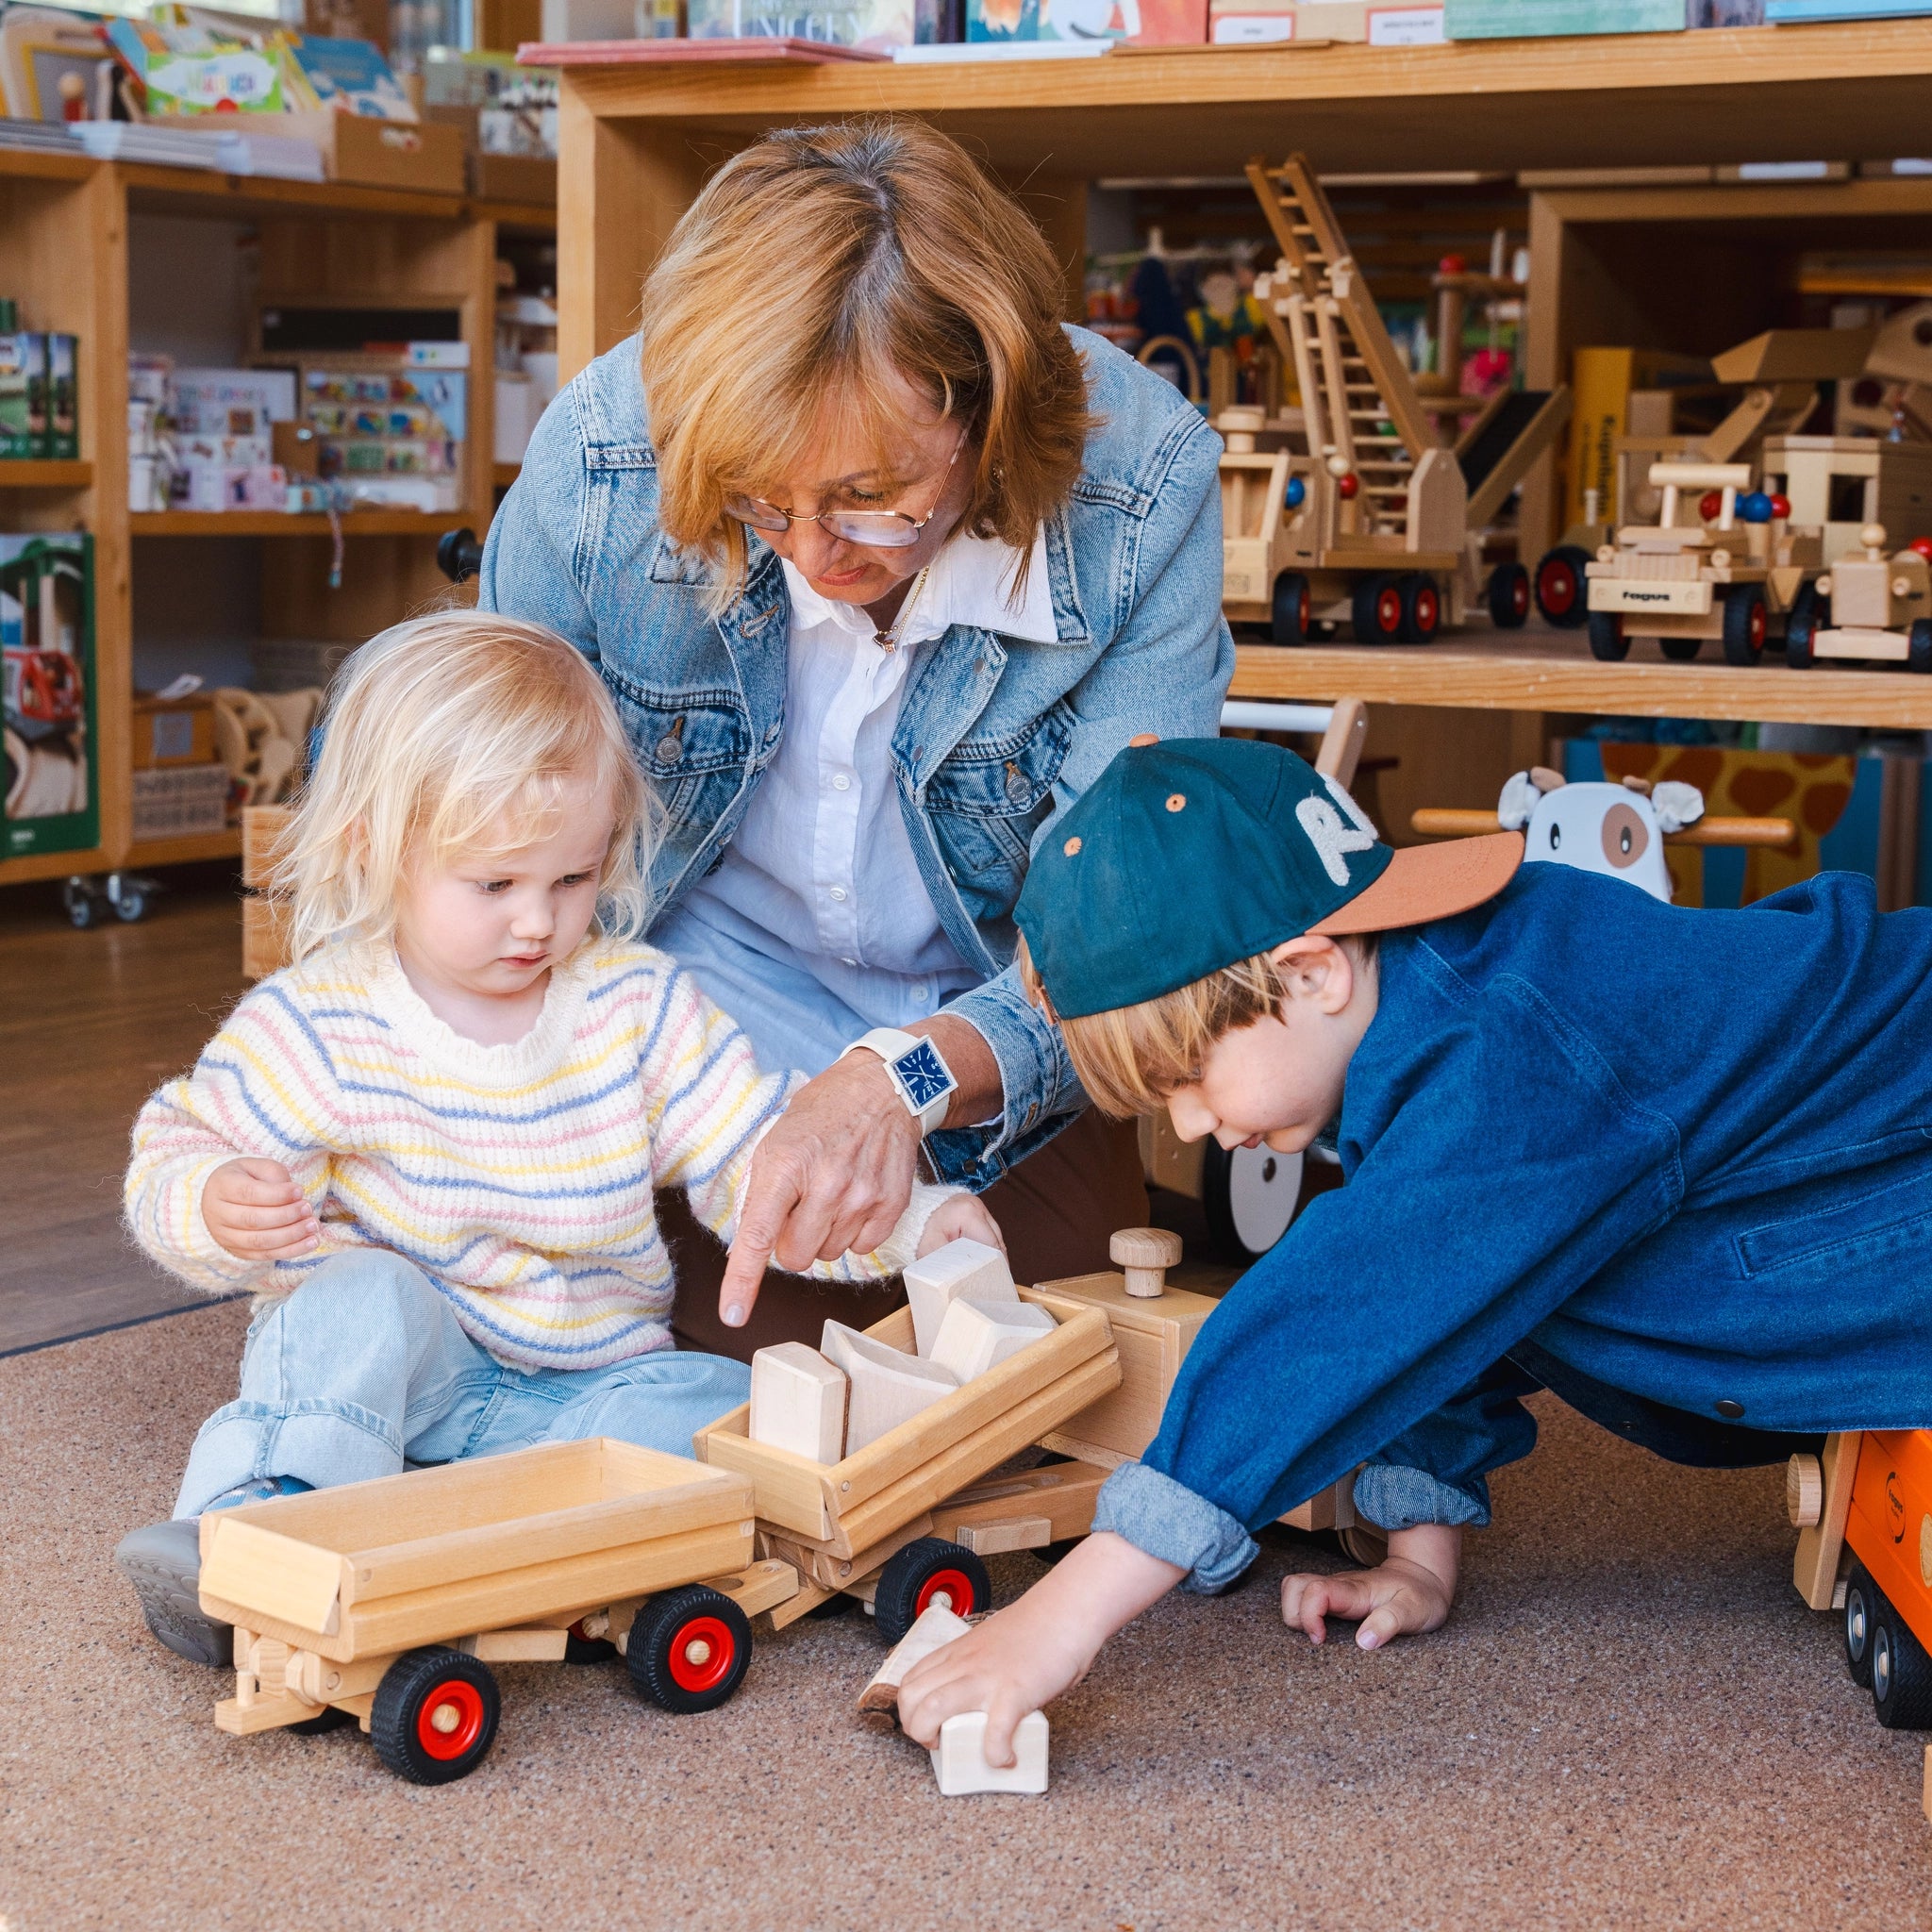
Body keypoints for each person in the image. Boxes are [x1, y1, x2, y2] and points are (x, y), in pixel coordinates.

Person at [897, 736, 1932, 1763]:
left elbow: (1341, 1309)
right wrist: (1418, 1556)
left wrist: (1059, 1617)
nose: (1188, 1123)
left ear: (1310, 972)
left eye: (1189, 1073)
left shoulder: (1510, 1044)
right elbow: (1452, 1287)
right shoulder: (1427, 1007)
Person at [481, 117, 1233, 1357]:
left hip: (982, 1032)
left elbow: (1130, 934)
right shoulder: (610, 454)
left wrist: (902, 1079)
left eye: (871, 500)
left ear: (987, 413)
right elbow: (474, 810)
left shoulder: (1141, 490)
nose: (817, 557)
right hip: (679, 1005)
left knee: (1037, 1356)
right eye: (764, 504)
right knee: (677, 1352)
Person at [111, 613, 996, 1666]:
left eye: (571, 880)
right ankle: (252, 1527)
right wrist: (212, 1196)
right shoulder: (319, 1021)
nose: (537, 921)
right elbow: (173, 1148)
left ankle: (515, 1540)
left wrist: (918, 1220)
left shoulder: (634, 1005)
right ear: (375, 850)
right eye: (494, 885)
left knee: (744, 1404)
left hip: (588, 1401)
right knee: (349, 1301)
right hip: (411, 1382)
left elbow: (762, 1158)